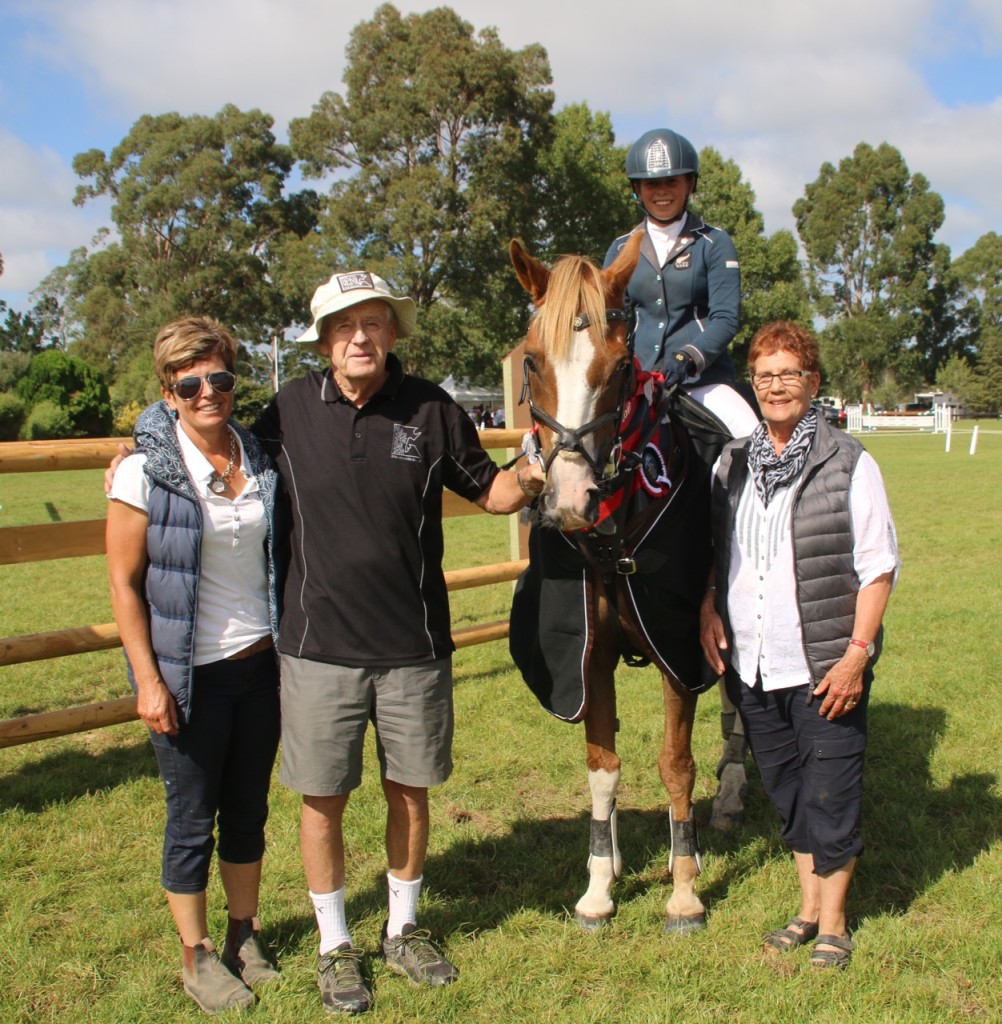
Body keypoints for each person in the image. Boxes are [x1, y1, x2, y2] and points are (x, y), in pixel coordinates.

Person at [250, 270, 544, 1014]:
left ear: (392, 332)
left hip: (414, 646)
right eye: (345, 326)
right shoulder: (285, 413)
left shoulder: (432, 408)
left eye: (373, 323)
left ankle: (404, 929)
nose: (360, 337)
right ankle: (333, 944)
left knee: (409, 792)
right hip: (316, 648)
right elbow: (216, 452)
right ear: (323, 339)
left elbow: (494, 491)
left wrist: (545, 462)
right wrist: (142, 451)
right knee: (323, 800)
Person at [699, 320, 899, 970]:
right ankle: (808, 907)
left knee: (830, 792)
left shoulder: (848, 461)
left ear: (812, 383)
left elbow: (878, 567)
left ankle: (835, 921)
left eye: (789, 374)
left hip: (823, 664)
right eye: (764, 375)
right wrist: (708, 606)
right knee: (786, 788)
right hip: (753, 666)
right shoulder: (732, 464)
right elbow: (718, 554)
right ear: (752, 386)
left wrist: (857, 652)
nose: (777, 386)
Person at [106, 317, 283, 1013]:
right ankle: (197, 956)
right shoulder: (141, 469)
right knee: (191, 820)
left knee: (247, 811)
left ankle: (245, 933)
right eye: (190, 382)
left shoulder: (260, 454)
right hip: (187, 676)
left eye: (220, 377)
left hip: (259, 665)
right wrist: (148, 679)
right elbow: (123, 584)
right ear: (168, 392)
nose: (208, 391)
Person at [605, 127, 760, 828]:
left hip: (701, 382)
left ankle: (751, 546)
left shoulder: (715, 242)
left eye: (670, 182)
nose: (660, 191)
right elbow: (617, 318)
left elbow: (725, 314)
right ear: (638, 189)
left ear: (688, 185)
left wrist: (691, 360)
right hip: (638, 384)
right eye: (649, 184)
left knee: (749, 440)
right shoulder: (620, 251)